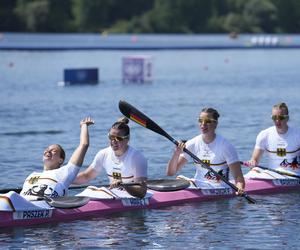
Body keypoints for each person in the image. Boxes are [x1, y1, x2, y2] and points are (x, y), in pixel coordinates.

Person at [166, 107, 245, 194]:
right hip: (199, 185)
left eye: (207, 121)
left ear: (215, 124)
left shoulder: (226, 146)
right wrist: (176, 154)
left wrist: (240, 189)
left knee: (184, 181)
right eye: (200, 120)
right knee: (179, 179)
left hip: (220, 187)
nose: (203, 124)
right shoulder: (192, 143)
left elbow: (238, 178)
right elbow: (170, 173)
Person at [73, 117, 148, 198]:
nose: (113, 141)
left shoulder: (137, 158)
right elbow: (86, 176)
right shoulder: (103, 154)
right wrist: (64, 178)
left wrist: (124, 185)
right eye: (111, 137)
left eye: (118, 138)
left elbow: (142, 192)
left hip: (133, 197)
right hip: (114, 195)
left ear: (127, 139)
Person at [20, 117, 94, 198]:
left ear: (60, 160)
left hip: (46, 206)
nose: (48, 151)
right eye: (47, 149)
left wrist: (84, 125)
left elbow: (84, 145)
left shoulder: (65, 172)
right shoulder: (31, 176)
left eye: (53, 150)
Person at [246, 102, 300, 176]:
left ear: (287, 118)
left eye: (281, 118)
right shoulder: (264, 135)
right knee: (254, 170)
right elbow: (254, 159)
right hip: (272, 174)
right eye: (274, 118)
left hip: (293, 176)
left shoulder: (297, 135)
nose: (277, 121)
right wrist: (252, 162)